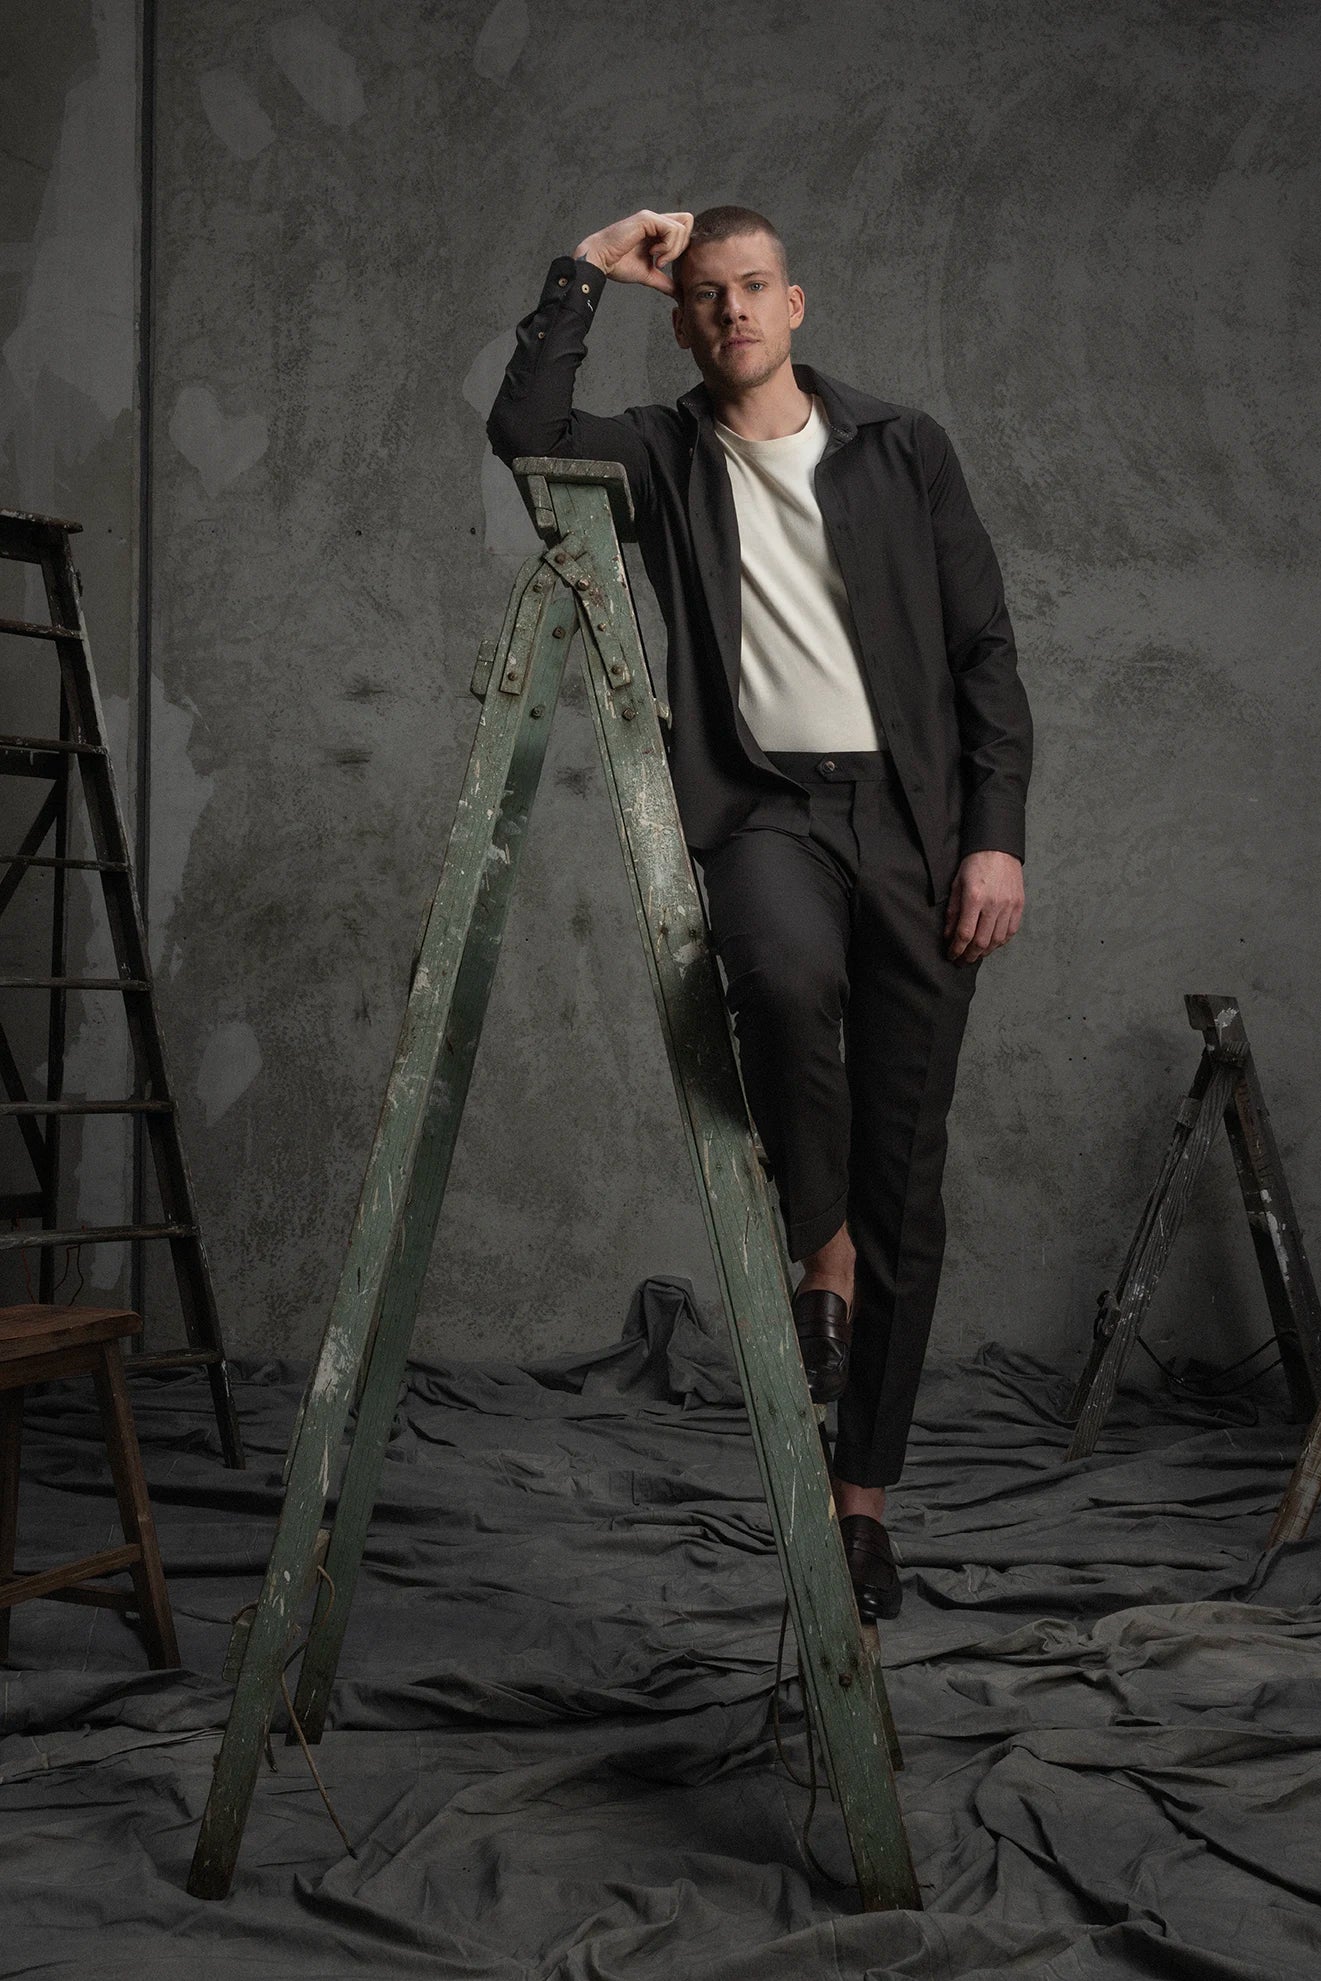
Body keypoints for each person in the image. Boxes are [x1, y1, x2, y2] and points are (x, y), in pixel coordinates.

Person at [487, 206, 1032, 1620]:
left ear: (795, 304)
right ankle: (819, 1249)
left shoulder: (901, 448)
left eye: (750, 290)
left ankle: (860, 1506)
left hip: (912, 828)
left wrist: (995, 842)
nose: (729, 312)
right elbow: (523, 428)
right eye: (704, 295)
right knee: (782, 986)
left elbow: (983, 652)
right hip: (764, 813)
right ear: (684, 321)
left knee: (908, 1170)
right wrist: (585, 270)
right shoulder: (663, 453)